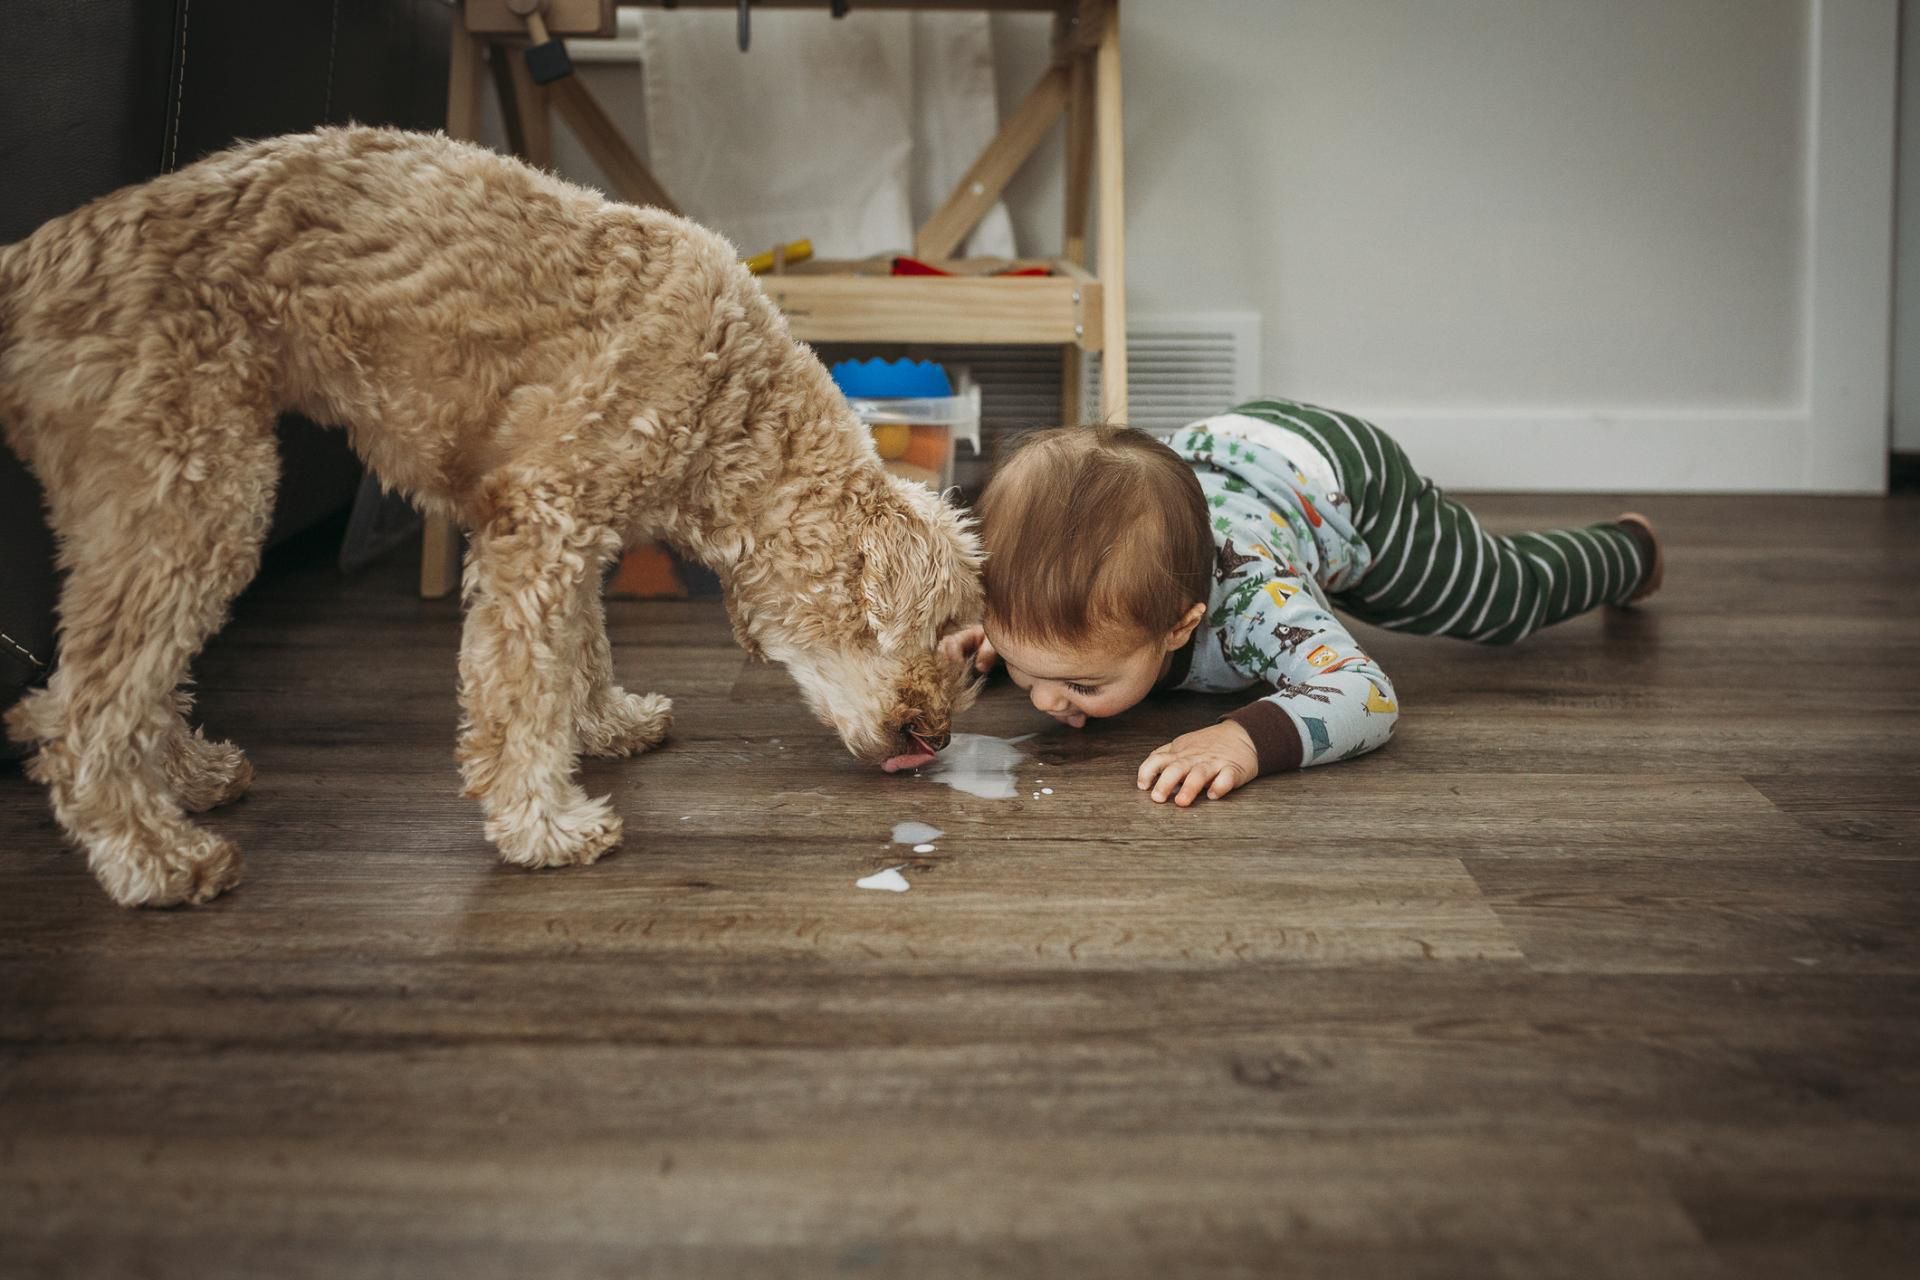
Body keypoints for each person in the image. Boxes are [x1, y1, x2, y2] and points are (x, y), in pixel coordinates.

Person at [941, 399, 1661, 806]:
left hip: (1341, 481)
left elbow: (1366, 693)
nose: (1044, 700)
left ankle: (1628, 552)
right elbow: (1048, 613)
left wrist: (1246, 740)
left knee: (1497, 599)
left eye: (1081, 683)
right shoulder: (1042, 596)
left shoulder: (1255, 601)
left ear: (1181, 627)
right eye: (1028, 670)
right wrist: (1003, 645)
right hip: (1213, 458)